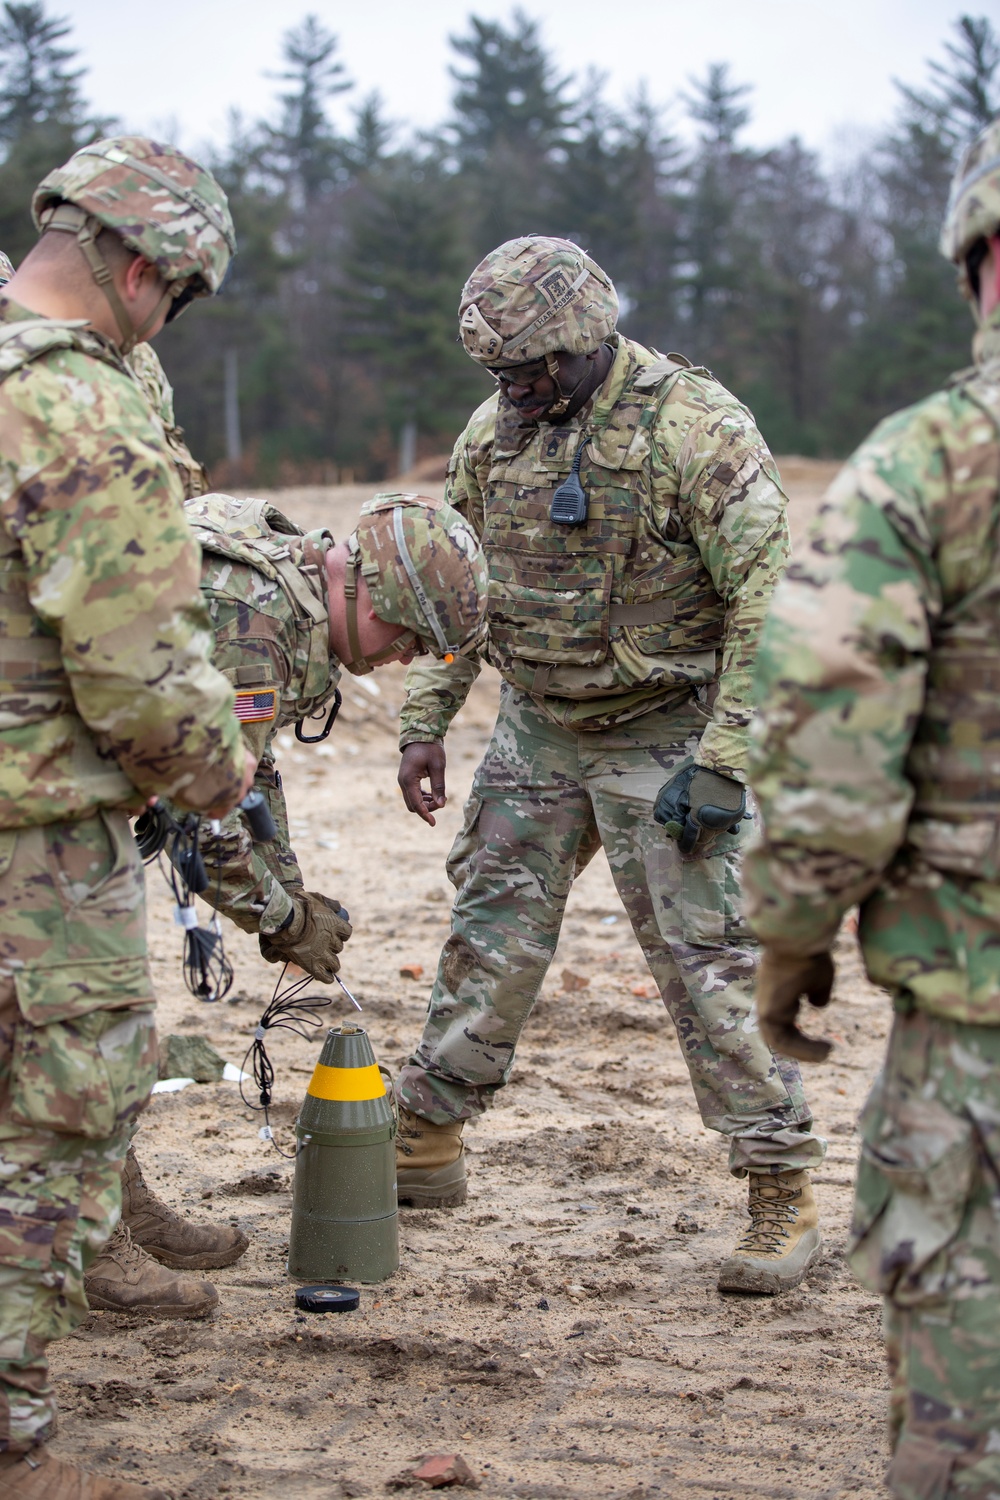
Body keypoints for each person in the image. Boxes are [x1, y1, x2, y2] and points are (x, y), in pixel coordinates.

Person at [394, 234, 826, 1294]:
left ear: (590, 339)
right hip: (537, 729)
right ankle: (425, 1140)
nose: (518, 391)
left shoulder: (694, 427)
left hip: (667, 736)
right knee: (486, 937)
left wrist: (723, 761)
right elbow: (458, 583)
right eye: (501, 375)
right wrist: (426, 717)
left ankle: (779, 1185)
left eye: (535, 370)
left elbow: (768, 605)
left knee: (707, 962)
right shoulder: (494, 434)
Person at [743, 117, 1000, 1498]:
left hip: (976, 1027)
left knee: (965, 1423)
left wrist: (789, 949)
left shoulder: (928, 465)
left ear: (976, 260)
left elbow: (832, 770)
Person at [0, 138, 254, 1496]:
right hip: (35, 848)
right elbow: (146, 682)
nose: (167, 320)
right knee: (62, 1122)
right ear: (138, 265)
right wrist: (224, 781)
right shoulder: (80, 413)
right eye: (180, 297)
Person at [80, 487, 487, 1318]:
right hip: (36, 799)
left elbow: (248, 775)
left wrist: (289, 890)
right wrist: (281, 919)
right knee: (78, 1019)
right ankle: (86, 1245)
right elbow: (203, 814)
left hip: (61, 794)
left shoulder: (279, 576)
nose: (400, 658)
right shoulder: (252, 622)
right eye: (406, 636)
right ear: (371, 590)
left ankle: (114, 1207)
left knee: (103, 1014)